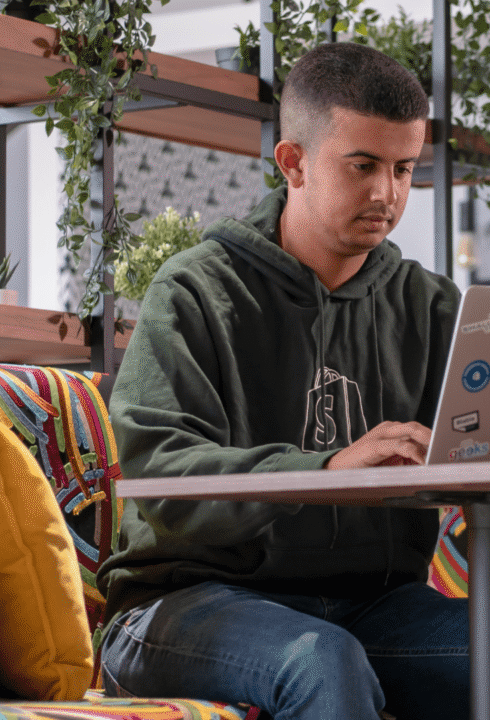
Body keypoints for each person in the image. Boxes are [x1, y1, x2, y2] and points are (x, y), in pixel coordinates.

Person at [96, 42, 466, 720]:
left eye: (405, 168)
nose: (388, 193)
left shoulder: (434, 307)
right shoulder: (195, 292)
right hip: (184, 603)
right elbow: (162, 478)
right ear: (294, 162)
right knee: (320, 659)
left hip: (371, 607)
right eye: (363, 166)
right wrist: (327, 468)